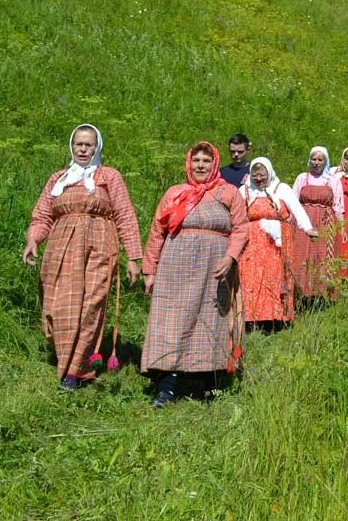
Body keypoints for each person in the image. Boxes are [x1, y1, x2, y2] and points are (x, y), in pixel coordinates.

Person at [24, 124, 143, 391]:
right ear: (71, 145)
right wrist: (33, 240)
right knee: (58, 306)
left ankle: (75, 371)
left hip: (99, 246)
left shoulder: (108, 176)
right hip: (60, 248)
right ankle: (64, 356)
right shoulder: (59, 179)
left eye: (88, 144)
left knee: (91, 305)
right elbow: (42, 215)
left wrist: (133, 257)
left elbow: (125, 214)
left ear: (97, 147)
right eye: (78, 143)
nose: (83, 149)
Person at [142, 142, 249, 408]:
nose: (200, 166)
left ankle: (210, 384)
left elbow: (241, 228)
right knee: (173, 320)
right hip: (175, 267)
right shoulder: (175, 193)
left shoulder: (228, 192)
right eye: (196, 161)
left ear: (214, 164)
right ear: (189, 163)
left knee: (211, 321)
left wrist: (230, 257)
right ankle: (167, 385)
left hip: (215, 267)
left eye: (206, 161)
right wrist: (150, 270)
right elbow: (158, 231)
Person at [237, 157, 316, 333]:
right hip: (251, 244)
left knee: (275, 277)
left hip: (277, 243)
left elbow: (297, 209)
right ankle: (251, 318)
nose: (258, 179)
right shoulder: (244, 190)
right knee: (251, 278)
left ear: (269, 173)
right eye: (255, 175)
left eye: (262, 175)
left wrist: (307, 228)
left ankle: (276, 318)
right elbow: (235, 214)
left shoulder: (281, 189)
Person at [291, 146, 344, 299]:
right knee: (301, 255)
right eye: (314, 159)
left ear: (325, 161)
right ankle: (300, 292)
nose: (316, 162)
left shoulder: (332, 180)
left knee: (322, 256)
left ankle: (321, 294)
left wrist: (341, 227)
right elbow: (293, 201)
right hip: (303, 221)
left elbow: (338, 206)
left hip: (324, 221)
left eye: (320, 160)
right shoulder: (302, 178)